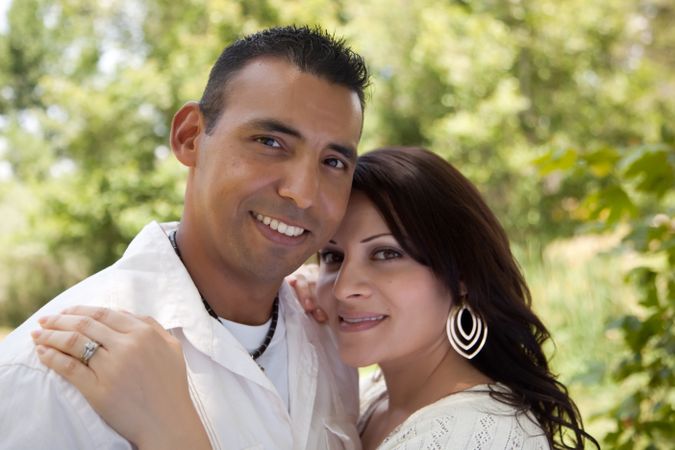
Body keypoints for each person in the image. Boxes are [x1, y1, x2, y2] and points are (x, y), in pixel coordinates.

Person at [32, 147, 599, 449]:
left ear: (462, 277)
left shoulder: (485, 438)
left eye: (386, 254)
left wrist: (173, 430)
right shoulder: (377, 395)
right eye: (332, 256)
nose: (346, 285)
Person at [0, 25, 369, 450]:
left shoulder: (331, 341)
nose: (303, 192)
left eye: (334, 161)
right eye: (270, 142)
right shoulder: (54, 375)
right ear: (189, 137)